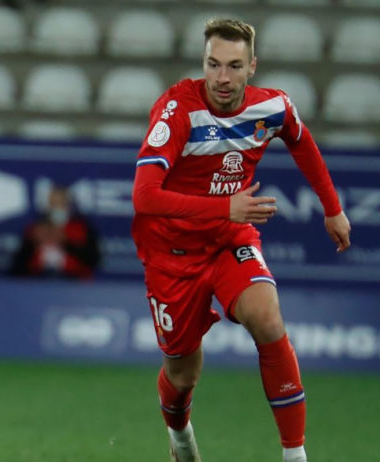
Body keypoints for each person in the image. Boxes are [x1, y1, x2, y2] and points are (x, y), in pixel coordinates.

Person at [131, 18, 351, 462]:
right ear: (203, 63)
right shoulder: (177, 111)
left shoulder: (273, 107)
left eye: (234, 66)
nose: (222, 78)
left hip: (230, 240)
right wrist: (223, 207)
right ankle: (180, 439)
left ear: (253, 67)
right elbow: (144, 195)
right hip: (173, 255)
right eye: (213, 65)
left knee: (268, 319)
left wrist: (332, 207)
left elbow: (302, 141)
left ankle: (295, 454)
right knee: (182, 373)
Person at [10, 185, 100, 279]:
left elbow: (93, 260)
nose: (57, 207)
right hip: (37, 283)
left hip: (74, 283)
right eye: (53, 203)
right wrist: (33, 243)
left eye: (61, 203)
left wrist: (65, 242)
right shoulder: (36, 228)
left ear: (69, 204)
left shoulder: (82, 227)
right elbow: (18, 266)